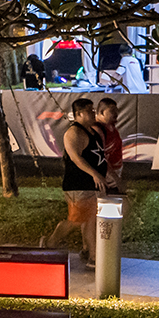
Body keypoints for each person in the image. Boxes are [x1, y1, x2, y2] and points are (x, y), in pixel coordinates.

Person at [42, 97, 108, 260]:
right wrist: (95, 174)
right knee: (77, 220)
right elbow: (76, 158)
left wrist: (109, 175)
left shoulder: (93, 131)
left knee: (88, 219)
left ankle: (88, 251)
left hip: (90, 184)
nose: (93, 113)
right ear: (78, 114)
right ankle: (51, 243)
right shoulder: (73, 133)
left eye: (93, 109)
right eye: (89, 110)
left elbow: (100, 156)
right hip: (78, 184)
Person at [98, 97, 124, 191]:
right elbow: (101, 155)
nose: (116, 114)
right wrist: (113, 176)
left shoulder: (110, 125)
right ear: (101, 112)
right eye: (112, 111)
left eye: (116, 110)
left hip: (115, 169)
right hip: (106, 173)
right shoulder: (98, 129)